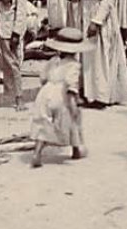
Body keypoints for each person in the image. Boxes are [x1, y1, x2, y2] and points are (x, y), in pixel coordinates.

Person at [73, 0, 127, 107]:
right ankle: (87, 91)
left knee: (98, 56)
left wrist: (96, 21)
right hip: (84, 12)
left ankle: (100, 94)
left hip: (99, 15)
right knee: (86, 55)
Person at [29, 27, 91, 168]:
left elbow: (43, 77)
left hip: (45, 93)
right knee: (73, 121)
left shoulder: (53, 60)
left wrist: (49, 86)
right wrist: (73, 103)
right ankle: (76, 149)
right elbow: (71, 85)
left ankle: (37, 153)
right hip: (61, 94)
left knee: (43, 123)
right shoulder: (74, 65)